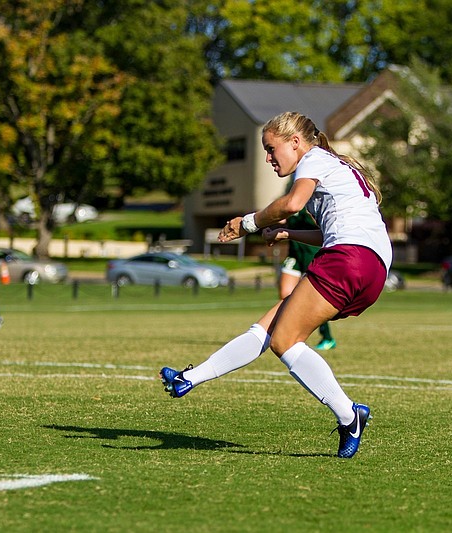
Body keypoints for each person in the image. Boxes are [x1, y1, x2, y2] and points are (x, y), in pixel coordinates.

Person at [160, 111, 392, 459]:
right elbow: (329, 229)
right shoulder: (341, 169)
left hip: (349, 258)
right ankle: (188, 380)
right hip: (371, 267)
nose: (269, 158)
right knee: (268, 328)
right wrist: (289, 233)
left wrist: (248, 223)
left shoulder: (313, 159)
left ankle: (350, 416)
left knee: (285, 342)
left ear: (295, 142)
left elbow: (291, 203)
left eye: (271, 149)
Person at [279, 199, 336, 351]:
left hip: (311, 253)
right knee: (285, 294)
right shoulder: (292, 200)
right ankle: (286, 333)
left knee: (313, 299)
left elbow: (322, 228)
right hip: (295, 253)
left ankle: (327, 337)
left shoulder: (312, 203)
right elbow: (281, 214)